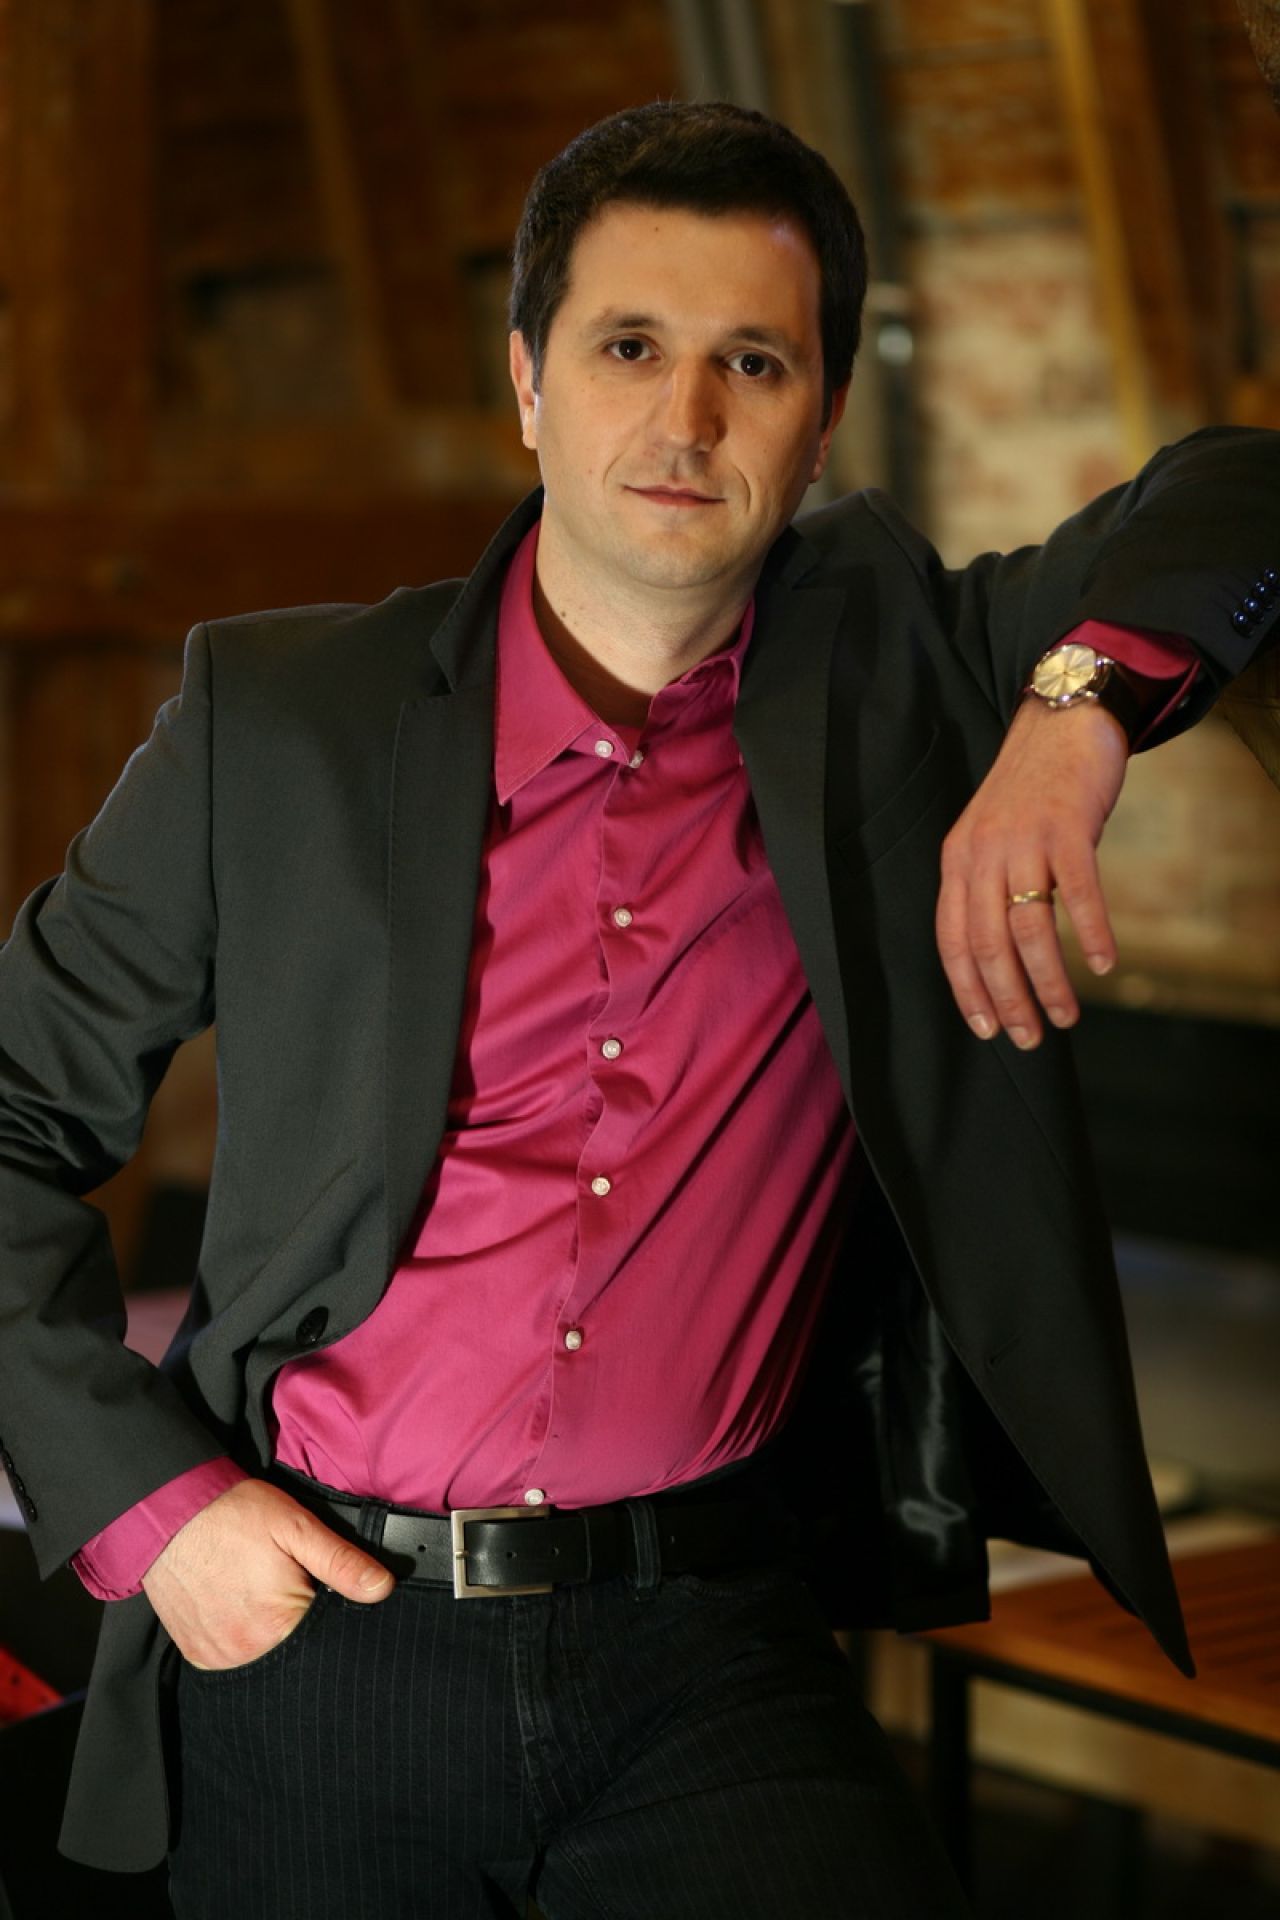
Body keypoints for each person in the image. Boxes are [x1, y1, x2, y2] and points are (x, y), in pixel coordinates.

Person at [1, 99, 1276, 1918]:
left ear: (822, 418)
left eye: (752, 362)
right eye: (627, 348)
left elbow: (1242, 487)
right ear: (527, 382)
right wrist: (158, 1511)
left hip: (707, 1644)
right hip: (315, 1631)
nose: (686, 420)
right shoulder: (276, 725)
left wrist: (1076, 721)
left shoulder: (907, 680)